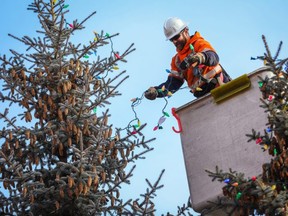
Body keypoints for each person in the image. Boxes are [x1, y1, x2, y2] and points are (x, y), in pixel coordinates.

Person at [144, 17, 231, 100]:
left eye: (176, 37)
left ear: (186, 31)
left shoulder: (198, 44)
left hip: (220, 86)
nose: (174, 41)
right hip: (203, 96)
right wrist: (157, 91)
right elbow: (173, 84)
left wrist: (200, 57)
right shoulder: (177, 60)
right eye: (171, 39)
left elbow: (213, 57)